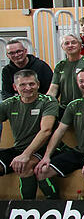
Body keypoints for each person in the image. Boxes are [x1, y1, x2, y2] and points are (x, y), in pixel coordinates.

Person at [34, 68, 84, 199]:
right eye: (81, 81)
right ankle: (55, 206)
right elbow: (59, 132)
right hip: (78, 152)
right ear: (77, 83)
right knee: (42, 171)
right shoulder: (73, 105)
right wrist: (47, 156)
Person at [0, 69, 59, 199]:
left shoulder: (48, 101)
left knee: (24, 166)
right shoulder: (9, 104)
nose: (28, 88)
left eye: (31, 84)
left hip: (44, 148)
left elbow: (46, 131)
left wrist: (26, 155)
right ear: (15, 87)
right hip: (19, 149)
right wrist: (22, 154)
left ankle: (30, 205)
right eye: (22, 85)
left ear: (38, 84)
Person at [47, 34, 84, 111]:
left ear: (80, 45)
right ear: (62, 47)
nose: (70, 45)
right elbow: (53, 88)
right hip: (65, 108)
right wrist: (46, 104)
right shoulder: (60, 65)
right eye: (66, 43)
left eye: (73, 42)